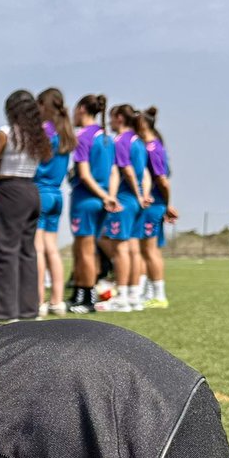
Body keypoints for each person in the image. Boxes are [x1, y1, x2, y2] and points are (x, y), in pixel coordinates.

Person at [0, 90, 52, 322]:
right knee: (26, 252)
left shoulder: (6, 133)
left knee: (3, 251)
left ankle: (2, 311)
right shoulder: (38, 136)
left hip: (9, 191)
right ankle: (28, 309)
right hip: (32, 191)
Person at [66, 95, 119, 312]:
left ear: (81, 109)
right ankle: (79, 294)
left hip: (86, 200)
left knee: (84, 251)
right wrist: (110, 195)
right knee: (86, 250)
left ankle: (88, 299)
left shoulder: (83, 136)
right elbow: (115, 171)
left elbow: (85, 175)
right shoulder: (106, 137)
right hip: (101, 200)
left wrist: (104, 196)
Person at [97, 104, 145, 312]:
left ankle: (122, 296)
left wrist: (114, 196)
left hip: (126, 200)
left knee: (119, 248)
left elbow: (123, 169)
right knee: (132, 247)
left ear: (118, 118)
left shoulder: (121, 140)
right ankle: (134, 295)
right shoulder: (138, 141)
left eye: (111, 117)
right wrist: (142, 195)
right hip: (135, 201)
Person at [34, 88, 74, 316]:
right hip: (57, 194)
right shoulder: (65, 131)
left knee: (37, 248)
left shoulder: (43, 130)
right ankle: (57, 301)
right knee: (52, 248)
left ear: (43, 105)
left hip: (38, 192)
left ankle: (38, 300)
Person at [136, 107, 176, 308]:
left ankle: (159, 295)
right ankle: (149, 292)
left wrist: (167, 205)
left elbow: (162, 180)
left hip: (153, 205)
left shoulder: (153, 148)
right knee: (145, 249)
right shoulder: (152, 146)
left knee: (150, 251)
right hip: (152, 205)